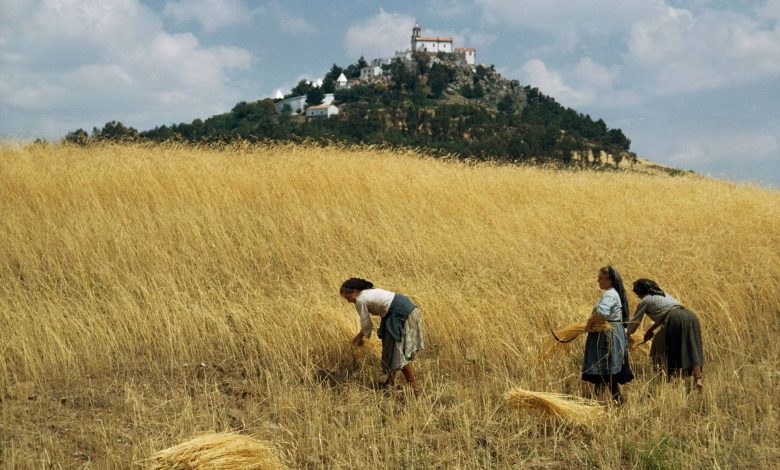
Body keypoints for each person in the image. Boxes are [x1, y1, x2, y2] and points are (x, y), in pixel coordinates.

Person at [339, 278, 424, 393]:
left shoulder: (360, 300)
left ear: (354, 291)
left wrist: (358, 338)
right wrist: (363, 336)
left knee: (397, 350)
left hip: (399, 313)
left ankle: (413, 385)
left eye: (348, 298)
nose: (349, 301)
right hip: (403, 309)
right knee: (389, 347)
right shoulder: (366, 293)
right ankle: (390, 382)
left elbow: (367, 325)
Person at [628, 279, 704, 389]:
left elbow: (635, 322)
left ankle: (667, 378)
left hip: (674, 319)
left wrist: (626, 335)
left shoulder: (645, 301)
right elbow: (666, 313)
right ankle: (698, 379)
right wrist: (650, 330)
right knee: (692, 345)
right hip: (690, 316)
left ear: (640, 291)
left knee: (660, 348)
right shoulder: (663, 295)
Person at [581, 266, 634, 404]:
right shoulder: (613, 293)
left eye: (600, 278)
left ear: (609, 280)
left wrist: (589, 322)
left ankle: (617, 399)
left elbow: (603, 313)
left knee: (606, 368)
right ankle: (597, 399)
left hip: (607, 335)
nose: (597, 280)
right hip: (610, 332)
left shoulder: (610, 294)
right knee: (604, 368)